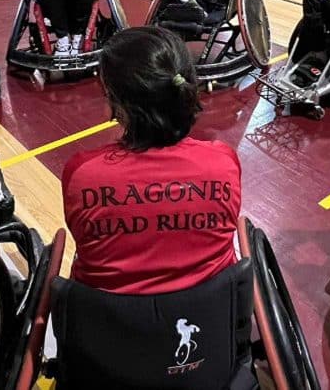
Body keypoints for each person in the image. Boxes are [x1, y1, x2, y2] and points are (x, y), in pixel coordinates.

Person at [61, 27, 241, 295]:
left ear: (117, 102)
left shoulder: (82, 174)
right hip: (208, 322)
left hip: (106, 325)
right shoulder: (223, 163)